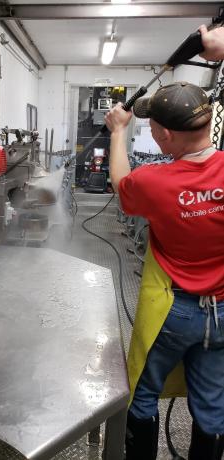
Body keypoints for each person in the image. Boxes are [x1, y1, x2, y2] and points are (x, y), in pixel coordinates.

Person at [105, 80, 224, 460]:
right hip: (222, 313)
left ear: (167, 135)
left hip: (173, 311)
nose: (151, 133)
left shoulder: (155, 182)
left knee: (142, 393)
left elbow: (120, 184)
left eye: (152, 127)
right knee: (212, 403)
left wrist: (119, 132)